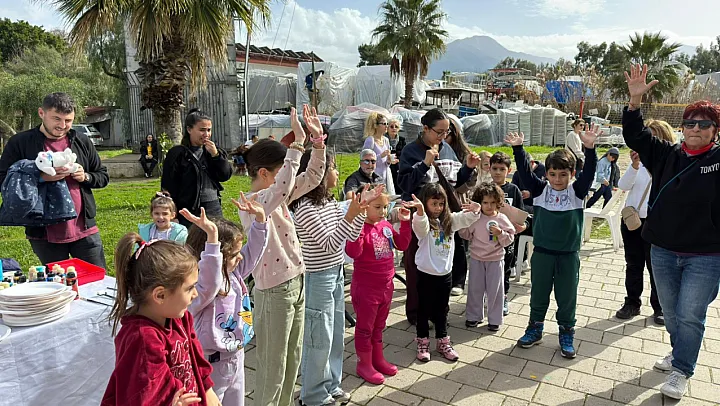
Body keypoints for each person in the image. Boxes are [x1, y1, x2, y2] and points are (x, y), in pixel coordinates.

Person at [622, 63, 720, 399]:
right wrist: (634, 102)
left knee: (690, 314)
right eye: (690, 123)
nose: (696, 129)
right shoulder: (666, 155)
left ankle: (681, 370)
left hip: (706, 255)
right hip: (662, 250)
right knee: (673, 313)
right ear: (682, 127)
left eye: (704, 124)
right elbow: (635, 136)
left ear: (715, 131)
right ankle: (681, 353)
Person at [239, 105, 326, 406]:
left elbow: (312, 177)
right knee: (272, 367)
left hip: (296, 282)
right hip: (274, 291)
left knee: (292, 360)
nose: (287, 178)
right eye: (280, 172)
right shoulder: (254, 203)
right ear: (264, 174)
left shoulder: (278, 195)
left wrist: (317, 143)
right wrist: (297, 144)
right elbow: (283, 187)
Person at [505, 124, 600, 359]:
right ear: (546, 174)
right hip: (542, 254)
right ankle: (535, 328)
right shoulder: (540, 191)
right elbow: (525, 174)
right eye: (553, 174)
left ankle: (566, 332)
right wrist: (518, 149)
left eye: (563, 174)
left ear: (572, 174)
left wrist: (590, 149)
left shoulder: (576, 192)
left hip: (568, 255)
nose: (558, 179)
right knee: (538, 294)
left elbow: (589, 173)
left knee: (567, 297)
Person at [290, 152, 374, 405]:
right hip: (318, 278)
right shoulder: (304, 207)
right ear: (318, 173)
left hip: (336, 272)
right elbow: (329, 244)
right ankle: (313, 395)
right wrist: (350, 215)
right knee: (319, 338)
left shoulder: (328, 201)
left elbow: (350, 236)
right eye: (333, 168)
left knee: (336, 334)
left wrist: (360, 212)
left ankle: (331, 384)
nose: (337, 173)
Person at [102, 233, 221, 405]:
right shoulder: (142, 340)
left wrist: (207, 390)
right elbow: (138, 398)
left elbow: (196, 359)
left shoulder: (180, 317)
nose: (195, 294)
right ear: (160, 295)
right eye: (189, 288)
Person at [0, 92, 109, 268]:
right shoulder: (20, 143)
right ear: (41, 113)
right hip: (44, 234)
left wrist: (86, 177)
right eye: (56, 119)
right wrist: (40, 177)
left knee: (97, 279)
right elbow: (3, 180)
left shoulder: (81, 140)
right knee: (58, 282)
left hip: (84, 229)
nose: (62, 126)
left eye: (68, 120)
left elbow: (102, 175)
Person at [397, 108, 480, 325]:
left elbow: (453, 183)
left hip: (443, 217)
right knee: (417, 265)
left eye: (447, 132)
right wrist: (424, 164)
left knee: (441, 263)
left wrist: (468, 168)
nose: (443, 136)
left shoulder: (447, 149)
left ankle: (438, 311)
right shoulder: (410, 151)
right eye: (439, 132)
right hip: (419, 217)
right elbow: (405, 185)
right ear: (425, 128)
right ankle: (417, 314)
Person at [183, 196, 268, 406]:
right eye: (234, 254)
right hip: (211, 364)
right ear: (217, 256)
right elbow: (211, 280)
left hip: (236, 356)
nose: (240, 257)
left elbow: (253, 252)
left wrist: (260, 221)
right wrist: (212, 239)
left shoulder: (234, 273)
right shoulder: (200, 288)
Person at [403, 185, 481, 362]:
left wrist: (476, 210)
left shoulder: (450, 220)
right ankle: (422, 342)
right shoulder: (422, 221)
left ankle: (443, 341)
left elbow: (466, 218)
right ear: (425, 203)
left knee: (442, 309)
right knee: (423, 310)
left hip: (445, 274)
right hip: (425, 274)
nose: (438, 208)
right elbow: (421, 228)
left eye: (441, 204)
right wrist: (420, 211)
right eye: (433, 204)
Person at [345, 187, 412, 385]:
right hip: (366, 288)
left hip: (386, 285)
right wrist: (357, 225)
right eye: (377, 207)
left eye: (385, 207)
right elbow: (353, 252)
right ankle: (364, 363)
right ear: (363, 206)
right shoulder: (359, 228)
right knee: (365, 327)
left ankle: (377, 358)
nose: (383, 211)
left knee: (379, 325)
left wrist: (405, 223)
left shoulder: (384, 225)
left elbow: (402, 244)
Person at [614, 120, 677, 325]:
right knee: (633, 264)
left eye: (653, 137)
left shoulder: (671, 162)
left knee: (657, 267)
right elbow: (623, 185)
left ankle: (660, 307)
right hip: (633, 221)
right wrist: (634, 166)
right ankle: (632, 303)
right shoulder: (638, 162)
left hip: (657, 222)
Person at [161, 109, 233, 228]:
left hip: (213, 206)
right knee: (191, 239)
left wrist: (216, 156)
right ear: (189, 129)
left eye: (209, 130)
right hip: (188, 209)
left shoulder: (214, 151)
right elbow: (169, 186)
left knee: (215, 237)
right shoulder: (177, 154)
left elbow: (224, 175)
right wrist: (173, 214)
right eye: (202, 130)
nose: (206, 134)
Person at [459, 183, 515, 331]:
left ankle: (495, 319)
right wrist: (465, 219)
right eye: (485, 202)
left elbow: (510, 238)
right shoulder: (476, 218)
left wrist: (501, 233)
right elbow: (465, 234)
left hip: (495, 260)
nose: (489, 206)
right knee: (475, 289)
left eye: (492, 202)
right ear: (479, 203)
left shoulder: (502, 218)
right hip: (476, 259)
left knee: (495, 291)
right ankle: (473, 316)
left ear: (498, 202)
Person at [488, 152, 527, 315]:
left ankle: (502, 297)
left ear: (509, 170)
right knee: (488, 271)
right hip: (487, 240)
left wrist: (522, 226)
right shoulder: (485, 189)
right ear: (489, 169)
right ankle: (487, 296)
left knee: (505, 270)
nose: (498, 172)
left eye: (502, 169)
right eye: (494, 168)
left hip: (507, 239)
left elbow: (521, 214)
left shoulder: (513, 189)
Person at [445, 114, 478, 297]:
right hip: (439, 199)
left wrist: (458, 187)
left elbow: (472, 178)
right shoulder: (432, 148)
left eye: (447, 133)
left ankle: (458, 280)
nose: (443, 137)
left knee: (459, 240)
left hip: (458, 198)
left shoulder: (463, 153)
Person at [363, 112, 397, 195]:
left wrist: (389, 160)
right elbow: (365, 160)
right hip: (374, 175)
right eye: (384, 124)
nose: (386, 126)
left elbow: (386, 163)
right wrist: (381, 155)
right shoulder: (370, 140)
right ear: (376, 125)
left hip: (385, 174)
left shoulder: (386, 140)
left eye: (387, 124)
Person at [387, 118, 406, 189]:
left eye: (396, 127)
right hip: (387, 165)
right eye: (391, 126)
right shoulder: (383, 139)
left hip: (398, 166)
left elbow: (404, 154)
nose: (394, 128)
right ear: (387, 128)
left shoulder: (402, 140)